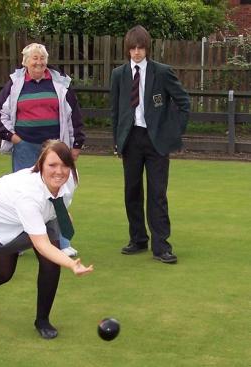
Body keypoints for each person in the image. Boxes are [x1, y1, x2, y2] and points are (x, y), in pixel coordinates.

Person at [0, 140, 94, 339]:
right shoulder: (28, 196)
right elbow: (42, 245)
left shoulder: (70, 179)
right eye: (52, 165)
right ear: (40, 165)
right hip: (0, 218)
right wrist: (72, 264)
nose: (59, 171)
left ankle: (42, 320)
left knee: (51, 264)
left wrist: (63, 215)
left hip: (40, 214)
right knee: (2, 273)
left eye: (64, 165)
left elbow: (58, 201)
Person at [0, 42, 85, 257]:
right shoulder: (14, 84)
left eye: (42, 58)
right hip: (25, 148)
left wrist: (76, 145)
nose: (39, 62)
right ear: (25, 62)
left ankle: (62, 242)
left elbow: (74, 116)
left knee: (57, 193)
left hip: (54, 150)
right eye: (34, 58)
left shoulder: (60, 83)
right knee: (25, 195)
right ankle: (20, 243)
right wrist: (14, 138)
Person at [110, 25, 190, 264]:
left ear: (147, 48)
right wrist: (117, 141)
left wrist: (172, 132)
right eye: (133, 48)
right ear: (127, 49)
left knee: (157, 194)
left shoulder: (162, 72)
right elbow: (115, 111)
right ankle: (138, 239)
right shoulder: (119, 75)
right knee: (132, 192)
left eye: (140, 48)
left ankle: (161, 246)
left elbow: (183, 102)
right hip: (130, 140)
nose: (136, 52)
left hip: (156, 142)